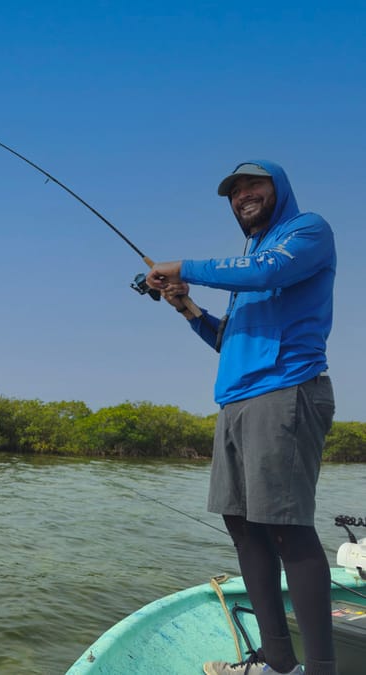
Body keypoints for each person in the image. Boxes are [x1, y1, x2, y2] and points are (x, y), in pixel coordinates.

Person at [146, 160, 337, 675]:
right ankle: (278, 664)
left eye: (254, 184)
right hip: (235, 401)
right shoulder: (250, 262)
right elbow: (226, 341)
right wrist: (186, 306)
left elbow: (268, 272)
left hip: (286, 392)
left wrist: (183, 267)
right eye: (234, 191)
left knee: (286, 527)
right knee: (243, 526)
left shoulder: (307, 232)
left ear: (280, 188)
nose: (243, 195)